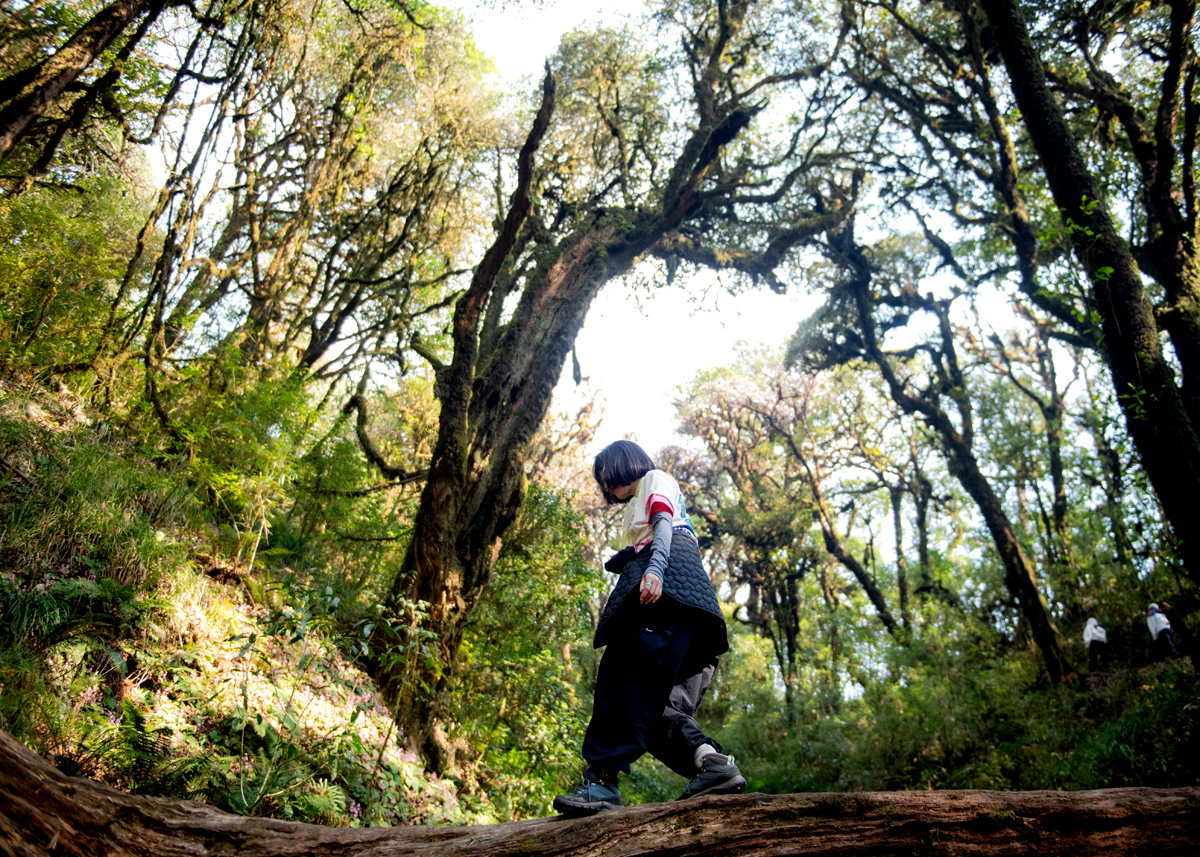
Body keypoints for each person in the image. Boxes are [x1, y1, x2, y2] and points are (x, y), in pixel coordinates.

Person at [552, 440, 746, 816]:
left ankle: (601, 781)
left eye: (605, 475)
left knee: (621, 680)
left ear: (622, 464)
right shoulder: (644, 497)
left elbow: (662, 524)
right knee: (658, 708)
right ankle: (714, 767)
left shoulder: (653, 480)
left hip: (665, 601)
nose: (605, 485)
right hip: (694, 616)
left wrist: (654, 569)